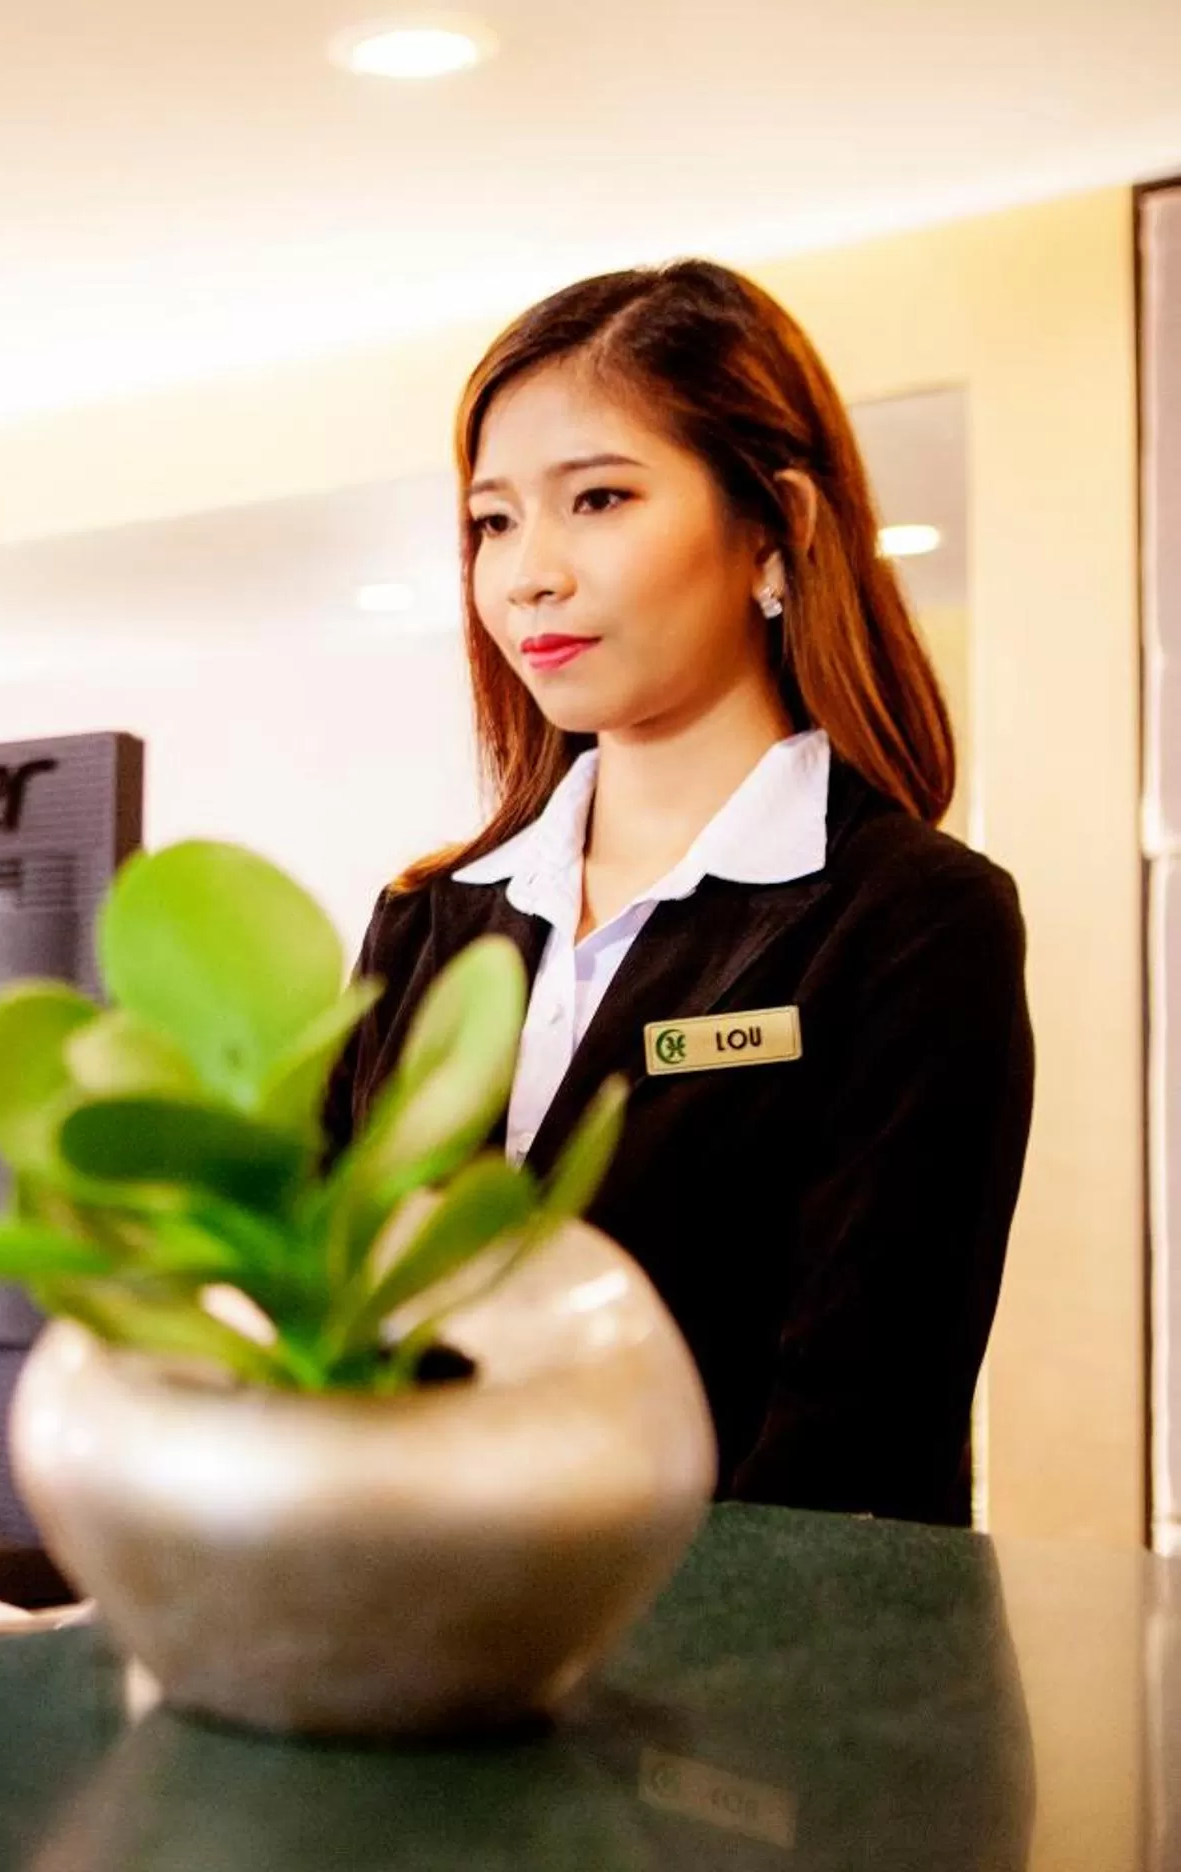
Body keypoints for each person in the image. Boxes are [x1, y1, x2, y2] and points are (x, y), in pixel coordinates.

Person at [323, 260, 1033, 1527]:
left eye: (596, 499)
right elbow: (322, 1337)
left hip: (753, 1690)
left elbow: (859, 1432)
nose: (529, 574)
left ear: (776, 524)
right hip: (419, 1662)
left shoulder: (911, 922)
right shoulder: (428, 921)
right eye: (494, 521)